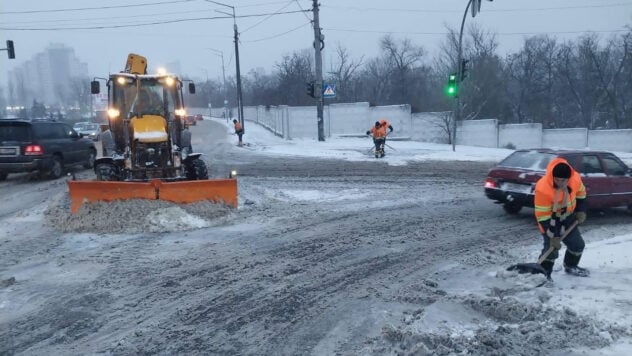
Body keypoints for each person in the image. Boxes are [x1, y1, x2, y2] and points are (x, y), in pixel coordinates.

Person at [534, 158, 588, 279]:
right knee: (551, 250)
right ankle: (542, 275)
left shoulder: (575, 179)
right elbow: (542, 216)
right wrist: (553, 236)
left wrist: (581, 211)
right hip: (549, 220)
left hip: (568, 217)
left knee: (577, 245)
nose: (559, 182)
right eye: (557, 179)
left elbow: (581, 194)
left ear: (569, 178)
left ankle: (570, 266)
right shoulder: (543, 187)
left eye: (563, 180)